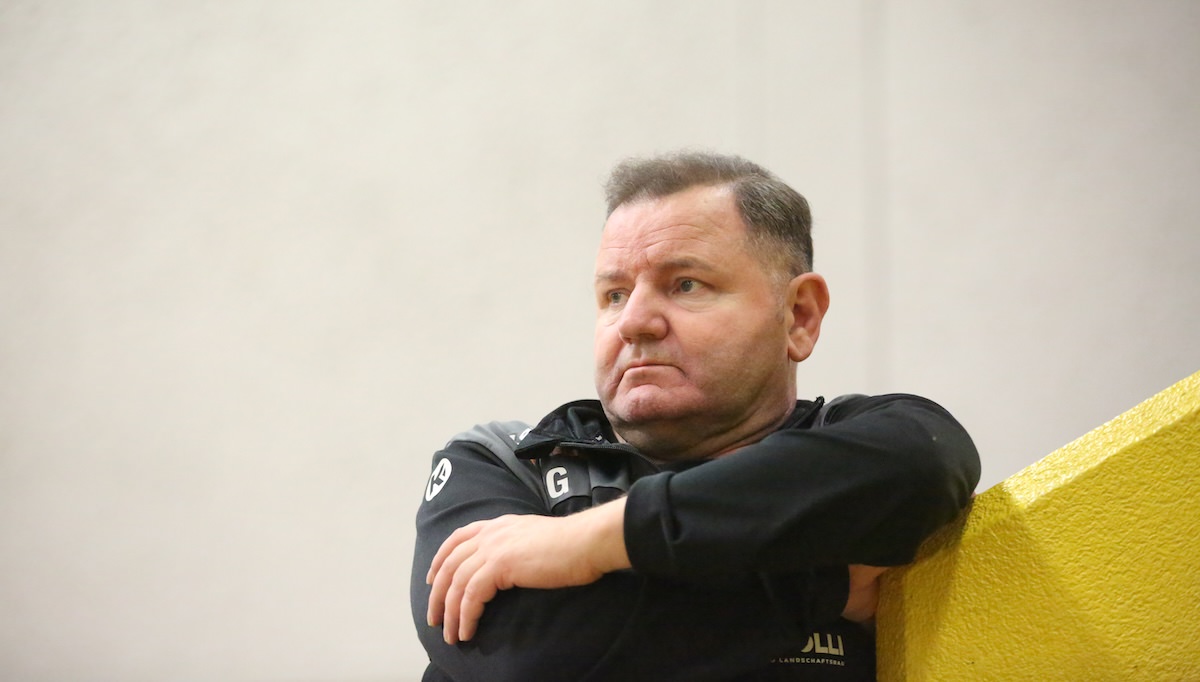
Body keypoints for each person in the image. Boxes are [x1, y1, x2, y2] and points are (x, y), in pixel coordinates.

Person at [411, 152, 980, 681]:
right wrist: (821, 585)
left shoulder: (866, 445)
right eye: (614, 294)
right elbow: (531, 658)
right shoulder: (509, 463)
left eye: (685, 285)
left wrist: (591, 540)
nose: (634, 321)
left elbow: (926, 463)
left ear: (799, 316)